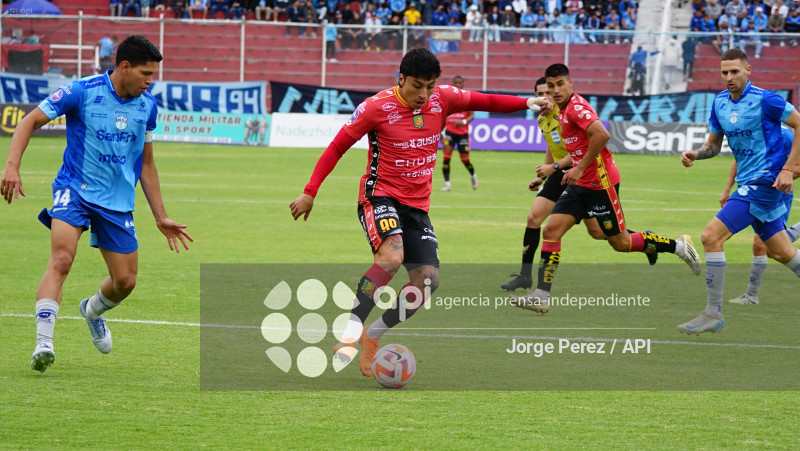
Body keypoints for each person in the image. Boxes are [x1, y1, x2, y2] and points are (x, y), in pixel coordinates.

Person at [289, 48, 552, 377]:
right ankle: (351, 331)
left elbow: (485, 101)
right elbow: (337, 146)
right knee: (390, 257)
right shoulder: (375, 108)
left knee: (427, 281)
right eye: (417, 86)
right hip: (380, 195)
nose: (424, 94)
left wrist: (527, 103)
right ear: (401, 80)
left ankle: (373, 335)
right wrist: (310, 191)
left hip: (417, 206)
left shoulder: (443, 99)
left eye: (430, 86)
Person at [0, 35, 194, 373]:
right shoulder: (81, 91)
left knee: (125, 282)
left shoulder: (148, 106)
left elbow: (146, 163)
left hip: (117, 200)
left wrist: (160, 216)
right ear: (124, 67)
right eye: (146, 74)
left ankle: (92, 310)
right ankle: (43, 343)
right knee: (61, 258)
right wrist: (12, 166)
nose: (151, 82)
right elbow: (29, 120)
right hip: (74, 188)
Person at [510, 63, 701, 313]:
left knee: (619, 242)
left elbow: (602, 135)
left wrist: (578, 168)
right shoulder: (561, 110)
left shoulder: (577, 108)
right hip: (578, 183)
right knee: (552, 230)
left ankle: (678, 246)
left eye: (560, 84)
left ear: (570, 83)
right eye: (551, 85)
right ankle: (541, 296)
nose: (555, 90)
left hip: (601, 183)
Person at [678, 49, 800, 334]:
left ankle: (712, 313)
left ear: (748, 70)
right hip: (748, 180)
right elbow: (714, 147)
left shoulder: (766, 99)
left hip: (764, 182)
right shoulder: (719, 103)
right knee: (782, 253)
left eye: (735, 71)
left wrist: (788, 168)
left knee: (710, 236)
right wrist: (696, 154)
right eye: (725, 72)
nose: (729, 77)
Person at [719, 129, 800, 304]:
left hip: (776, 194)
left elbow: (798, 167)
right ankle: (751, 296)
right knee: (769, 249)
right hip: (752, 192)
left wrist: (780, 177)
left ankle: (751, 296)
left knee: (763, 245)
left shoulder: (785, 135)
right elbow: (739, 161)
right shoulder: (751, 131)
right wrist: (727, 190)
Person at [440, 76, 477, 191]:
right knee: (446, 158)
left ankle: (473, 176)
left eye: (459, 83)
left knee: (464, 159)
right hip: (449, 133)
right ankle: (447, 184)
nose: (457, 84)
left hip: (462, 134)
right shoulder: (448, 99)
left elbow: (472, 115)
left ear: (462, 84)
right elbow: (443, 116)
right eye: (455, 83)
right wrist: (441, 131)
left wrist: (464, 121)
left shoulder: (467, 98)